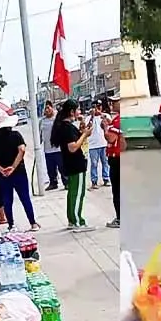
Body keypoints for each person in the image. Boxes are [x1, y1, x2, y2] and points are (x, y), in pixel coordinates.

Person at [0, 115, 40, 232]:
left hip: (3, 175)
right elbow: (22, 150)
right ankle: (33, 223)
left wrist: (1, 169)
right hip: (19, 171)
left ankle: (11, 225)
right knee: (25, 198)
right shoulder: (16, 135)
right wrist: (13, 167)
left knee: (7, 200)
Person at [50, 99, 95, 232]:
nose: (79, 112)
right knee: (78, 193)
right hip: (76, 163)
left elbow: (76, 140)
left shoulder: (66, 126)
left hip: (70, 163)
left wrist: (83, 132)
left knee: (72, 192)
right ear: (71, 111)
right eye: (78, 109)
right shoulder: (67, 128)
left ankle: (72, 218)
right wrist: (85, 135)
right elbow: (73, 147)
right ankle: (77, 220)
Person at [105, 95, 124, 228]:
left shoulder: (117, 120)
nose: (111, 104)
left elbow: (111, 138)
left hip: (116, 159)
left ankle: (120, 218)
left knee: (117, 190)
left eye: (115, 101)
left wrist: (106, 127)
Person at [87, 102, 110, 189]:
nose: (97, 108)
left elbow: (109, 123)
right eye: (95, 107)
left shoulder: (105, 115)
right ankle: (94, 181)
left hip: (103, 143)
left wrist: (102, 116)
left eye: (98, 106)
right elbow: (87, 127)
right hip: (93, 145)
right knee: (94, 163)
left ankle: (106, 178)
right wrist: (92, 116)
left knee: (105, 162)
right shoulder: (88, 118)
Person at [40, 102, 61, 190]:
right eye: (45, 108)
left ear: (52, 108)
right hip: (47, 149)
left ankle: (66, 182)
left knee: (62, 167)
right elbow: (39, 135)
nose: (47, 110)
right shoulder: (42, 121)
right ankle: (53, 183)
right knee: (50, 169)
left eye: (48, 107)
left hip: (59, 148)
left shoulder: (57, 119)